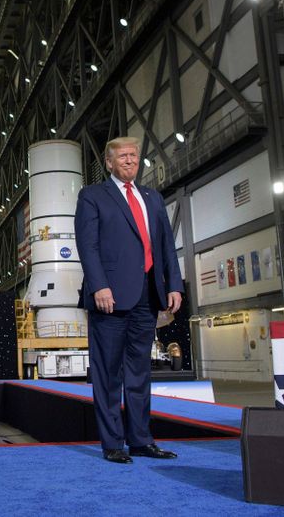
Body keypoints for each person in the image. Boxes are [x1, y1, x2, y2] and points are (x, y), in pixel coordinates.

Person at [74, 136, 184, 464]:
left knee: (139, 373)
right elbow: (88, 245)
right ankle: (112, 444)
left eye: (134, 155)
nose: (129, 160)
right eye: (122, 156)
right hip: (109, 297)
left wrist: (173, 285)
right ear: (109, 162)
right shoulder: (92, 196)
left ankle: (141, 440)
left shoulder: (152, 197)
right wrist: (99, 286)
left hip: (147, 295)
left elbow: (166, 246)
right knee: (108, 374)